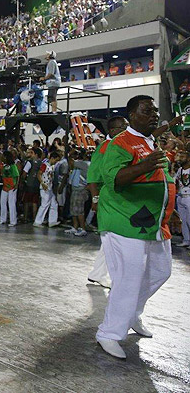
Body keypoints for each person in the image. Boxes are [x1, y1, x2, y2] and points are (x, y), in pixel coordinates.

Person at [95, 95, 176, 359]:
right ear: (132, 115)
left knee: (161, 271)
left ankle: (131, 314)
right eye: (147, 111)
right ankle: (109, 332)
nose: (154, 114)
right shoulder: (121, 143)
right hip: (125, 221)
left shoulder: (149, 141)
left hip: (154, 223)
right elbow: (114, 179)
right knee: (128, 279)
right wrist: (144, 165)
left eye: (154, 110)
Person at [86, 115, 129, 288]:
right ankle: (113, 277)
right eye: (123, 127)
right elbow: (93, 177)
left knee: (111, 239)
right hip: (108, 198)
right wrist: (95, 199)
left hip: (116, 198)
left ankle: (98, 274)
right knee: (114, 238)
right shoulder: (105, 147)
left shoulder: (118, 145)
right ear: (112, 130)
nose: (126, 130)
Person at [66, 149, 91, 236]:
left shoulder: (84, 164)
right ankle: (75, 227)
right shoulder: (83, 164)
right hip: (76, 189)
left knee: (79, 210)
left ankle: (83, 228)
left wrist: (70, 154)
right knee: (73, 209)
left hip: (80, 190)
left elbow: (71, 162)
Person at [34, 150, 62, 227]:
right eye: (56, 160)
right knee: (44, 204)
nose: (56, 162)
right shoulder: (44, 165)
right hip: (45, 187)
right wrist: (42, 183)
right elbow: (39, 174)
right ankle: (38, 221)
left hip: (49, 187)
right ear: (52, 158)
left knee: (54, 203)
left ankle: (52, 221)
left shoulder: (51, 166)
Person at [21, 147, 43, 223]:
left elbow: (24, 173)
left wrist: (22, 181)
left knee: (26, 201)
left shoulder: (29, 162)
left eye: (31, 152)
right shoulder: (42, 162)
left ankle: (25, 218)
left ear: (35, 154)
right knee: (35, 202)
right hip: (37, 184)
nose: (30, 154)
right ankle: (34, 218)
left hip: (29, 184)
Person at [0, 150, 19, 226]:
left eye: (3, 156)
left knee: (11, 203)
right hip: (5, 186)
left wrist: (16, 185)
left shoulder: (13, 166)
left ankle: (13, 221)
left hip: (12, 186)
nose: (2, 157)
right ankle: (3, 219)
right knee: (2, 202)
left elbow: (17, 176)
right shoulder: (3, 165)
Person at [174, 149, 190, 248]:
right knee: (183, 220)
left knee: (189, 220)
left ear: (189, 159)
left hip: (189, 196)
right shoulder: (180, 170)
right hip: (180, 197)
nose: (180, 158)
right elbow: (175, 181)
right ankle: (186, 240)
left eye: (183, 156)